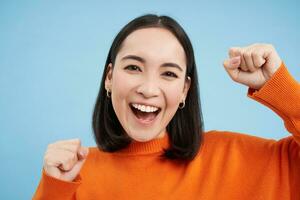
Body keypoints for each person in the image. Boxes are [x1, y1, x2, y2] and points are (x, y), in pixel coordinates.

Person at [33, 14, 300, 200]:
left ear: (184, 90)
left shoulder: (235, 160)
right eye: (134, 67)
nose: (149, 89)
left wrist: (281, 88)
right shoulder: (74, 175)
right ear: (110, 77)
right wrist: (53, 191)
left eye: (169, 74)